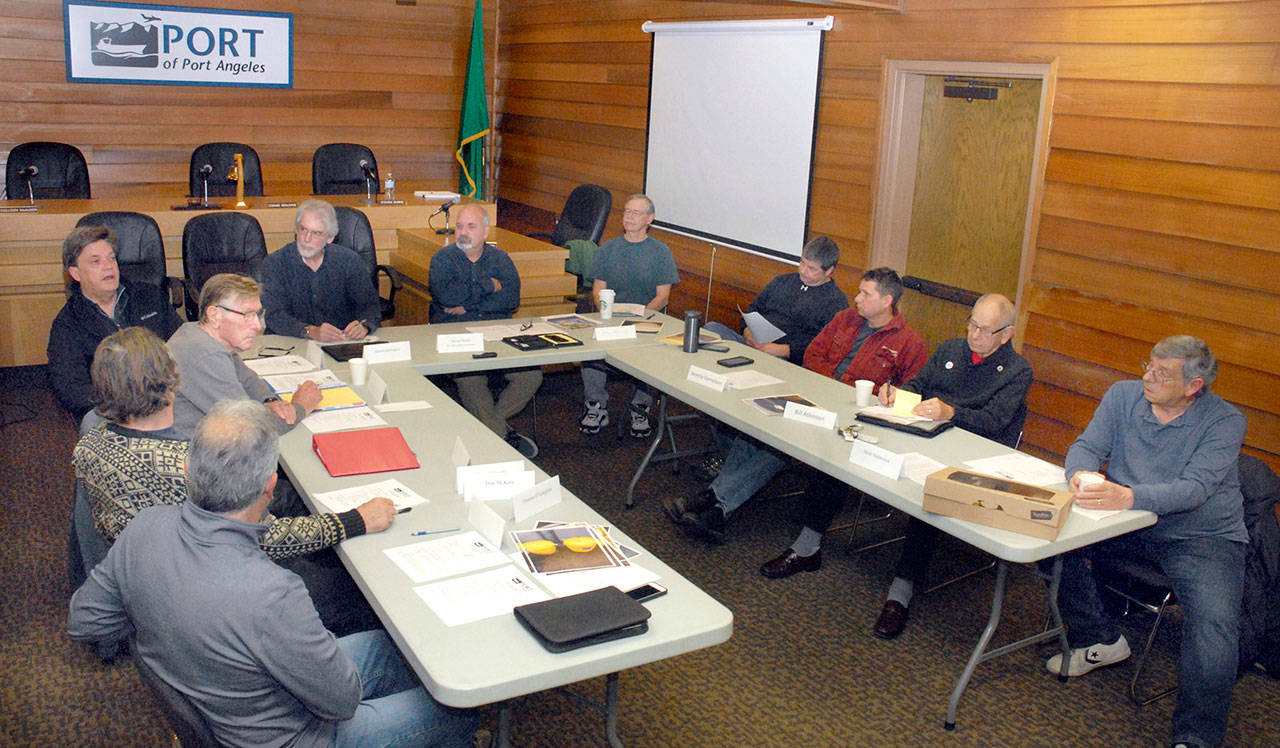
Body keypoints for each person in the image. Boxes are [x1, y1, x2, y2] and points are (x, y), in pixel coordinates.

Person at [68, 400, 478, 747]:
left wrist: (173, 639)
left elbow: (85, 619)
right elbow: (341, 703)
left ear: (189, 469)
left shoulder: (145, 527)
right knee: (457, 708)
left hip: (223, 704)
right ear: (270, 486)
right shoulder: (273, 591)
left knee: (387, 648)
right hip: (284, 736)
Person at [74, 326, 390, 635]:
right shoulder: (187, 467)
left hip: (162, 580)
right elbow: (269, 538)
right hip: (222, 584)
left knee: (292, 500)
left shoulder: (90, 445)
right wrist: (354, 521)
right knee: (364, 596)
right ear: (170, 384)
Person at [1044, 335, 1246, 748]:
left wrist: (1130, 496)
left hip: (1200, 535)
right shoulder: (1123, 396)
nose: (1148, 376)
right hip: (1128, 519)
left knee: (1214, 626)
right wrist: (1081, 475)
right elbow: (1086, 447)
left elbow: (1195, 488)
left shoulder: (1225, 421)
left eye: (1163, 373)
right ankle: (1099, 638)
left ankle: (1196, 738)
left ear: (1194, 386)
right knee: (1047, 542)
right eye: (1149, 365)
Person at [666, 267, 926, 541]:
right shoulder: (845, 319)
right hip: (814, 396)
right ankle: (714, 498)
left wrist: (863, 395)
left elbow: (910, 393)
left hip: (851, 418)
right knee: (759, 426)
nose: (857, 298)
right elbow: (814, 353)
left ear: (887, 301)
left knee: (777, 442)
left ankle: (718, 507)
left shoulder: (908, 342)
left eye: (865, 293)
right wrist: (826, 387)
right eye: (859, 291)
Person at [839, 293, 1032, 640]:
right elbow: (919, 385)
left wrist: (951, 412)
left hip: (970, 455)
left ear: (1007, 334)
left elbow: (996, 422)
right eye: (972, 323)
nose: (974, 334)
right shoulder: (950, 349)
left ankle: (900, 592)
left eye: (985, 330)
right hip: (923, 435)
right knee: (850, 448)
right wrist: (898, 393)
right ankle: (805, 545)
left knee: (927, 494)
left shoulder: (1017, 371)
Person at [427, 203, 541, 458]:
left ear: (486, 232)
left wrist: (466, 304)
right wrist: (489, 285)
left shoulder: (501, 259)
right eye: (459, 226)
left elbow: (511, 300)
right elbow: (446, 296)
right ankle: (502, 436)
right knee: (470, 379)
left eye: (471, 226)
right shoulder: (443, 259)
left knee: (531, 375)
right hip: (456, 334)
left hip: (495, 331)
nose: (463, 232)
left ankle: (487, 427)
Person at [46, 225, 182, 423]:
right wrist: (128, 400)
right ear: (75, 273)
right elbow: (71, 391)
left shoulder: (149, 296)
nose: (108, 266)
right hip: (115, 411)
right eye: (95, 261)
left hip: (167, 398)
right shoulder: (68, 324)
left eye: (111, 258)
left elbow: (182, 346)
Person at [168, 273, 323, 440]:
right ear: (214, 315)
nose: (257, 326)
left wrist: (269, 401)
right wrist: (301, 407)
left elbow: (248, 379)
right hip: (188, 453)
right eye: (247, 315)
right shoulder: (204, 354)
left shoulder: (200, 333)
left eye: (258, 314)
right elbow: (248, 429)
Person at [580, 194, 680, 437]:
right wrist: (608, 315)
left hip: (646, 320)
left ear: (650, 219)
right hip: (611, 318)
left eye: (636, 212)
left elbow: (662, 297)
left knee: (650, 352)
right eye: (627, 211)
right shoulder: (608, 248)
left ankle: (640, 408)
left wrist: (640, 319)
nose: (629, 216)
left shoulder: (660, 252)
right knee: (590, 347)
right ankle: (596, 406)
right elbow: (598, 290)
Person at [701, 236, 848, 365]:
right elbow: (752, 311)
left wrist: (783, 350)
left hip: (783, 358)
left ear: (829, 271)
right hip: (752, 343)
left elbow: (825, 345)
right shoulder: (782, 281)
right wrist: (747, 333)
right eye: (802, 263)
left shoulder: (835, 302)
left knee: (770, 364)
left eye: (812, 268)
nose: (803, 270)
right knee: (711, 329)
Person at [260, 198, 381, 342]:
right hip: (291, 343)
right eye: (303, 229)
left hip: (339, 343)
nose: (306, 239)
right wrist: (310, 331)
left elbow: (370, 307)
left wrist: (364, 326)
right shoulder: (275, 263)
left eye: (316, 233)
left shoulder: (349, 261)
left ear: (330, 238)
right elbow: (274, 315)